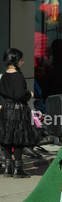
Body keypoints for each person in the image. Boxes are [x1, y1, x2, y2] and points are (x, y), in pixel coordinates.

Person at [0, 48, 35, 178]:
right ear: (16, 61)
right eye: (21, 60)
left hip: (6, 108)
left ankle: (8, 168)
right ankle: (18, 168)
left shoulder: (4, 76)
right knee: (18, 138)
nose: (22, 62)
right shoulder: (18, 76)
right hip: (18, 109)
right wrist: (29, 94)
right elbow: (20, 94)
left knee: (7, 137)